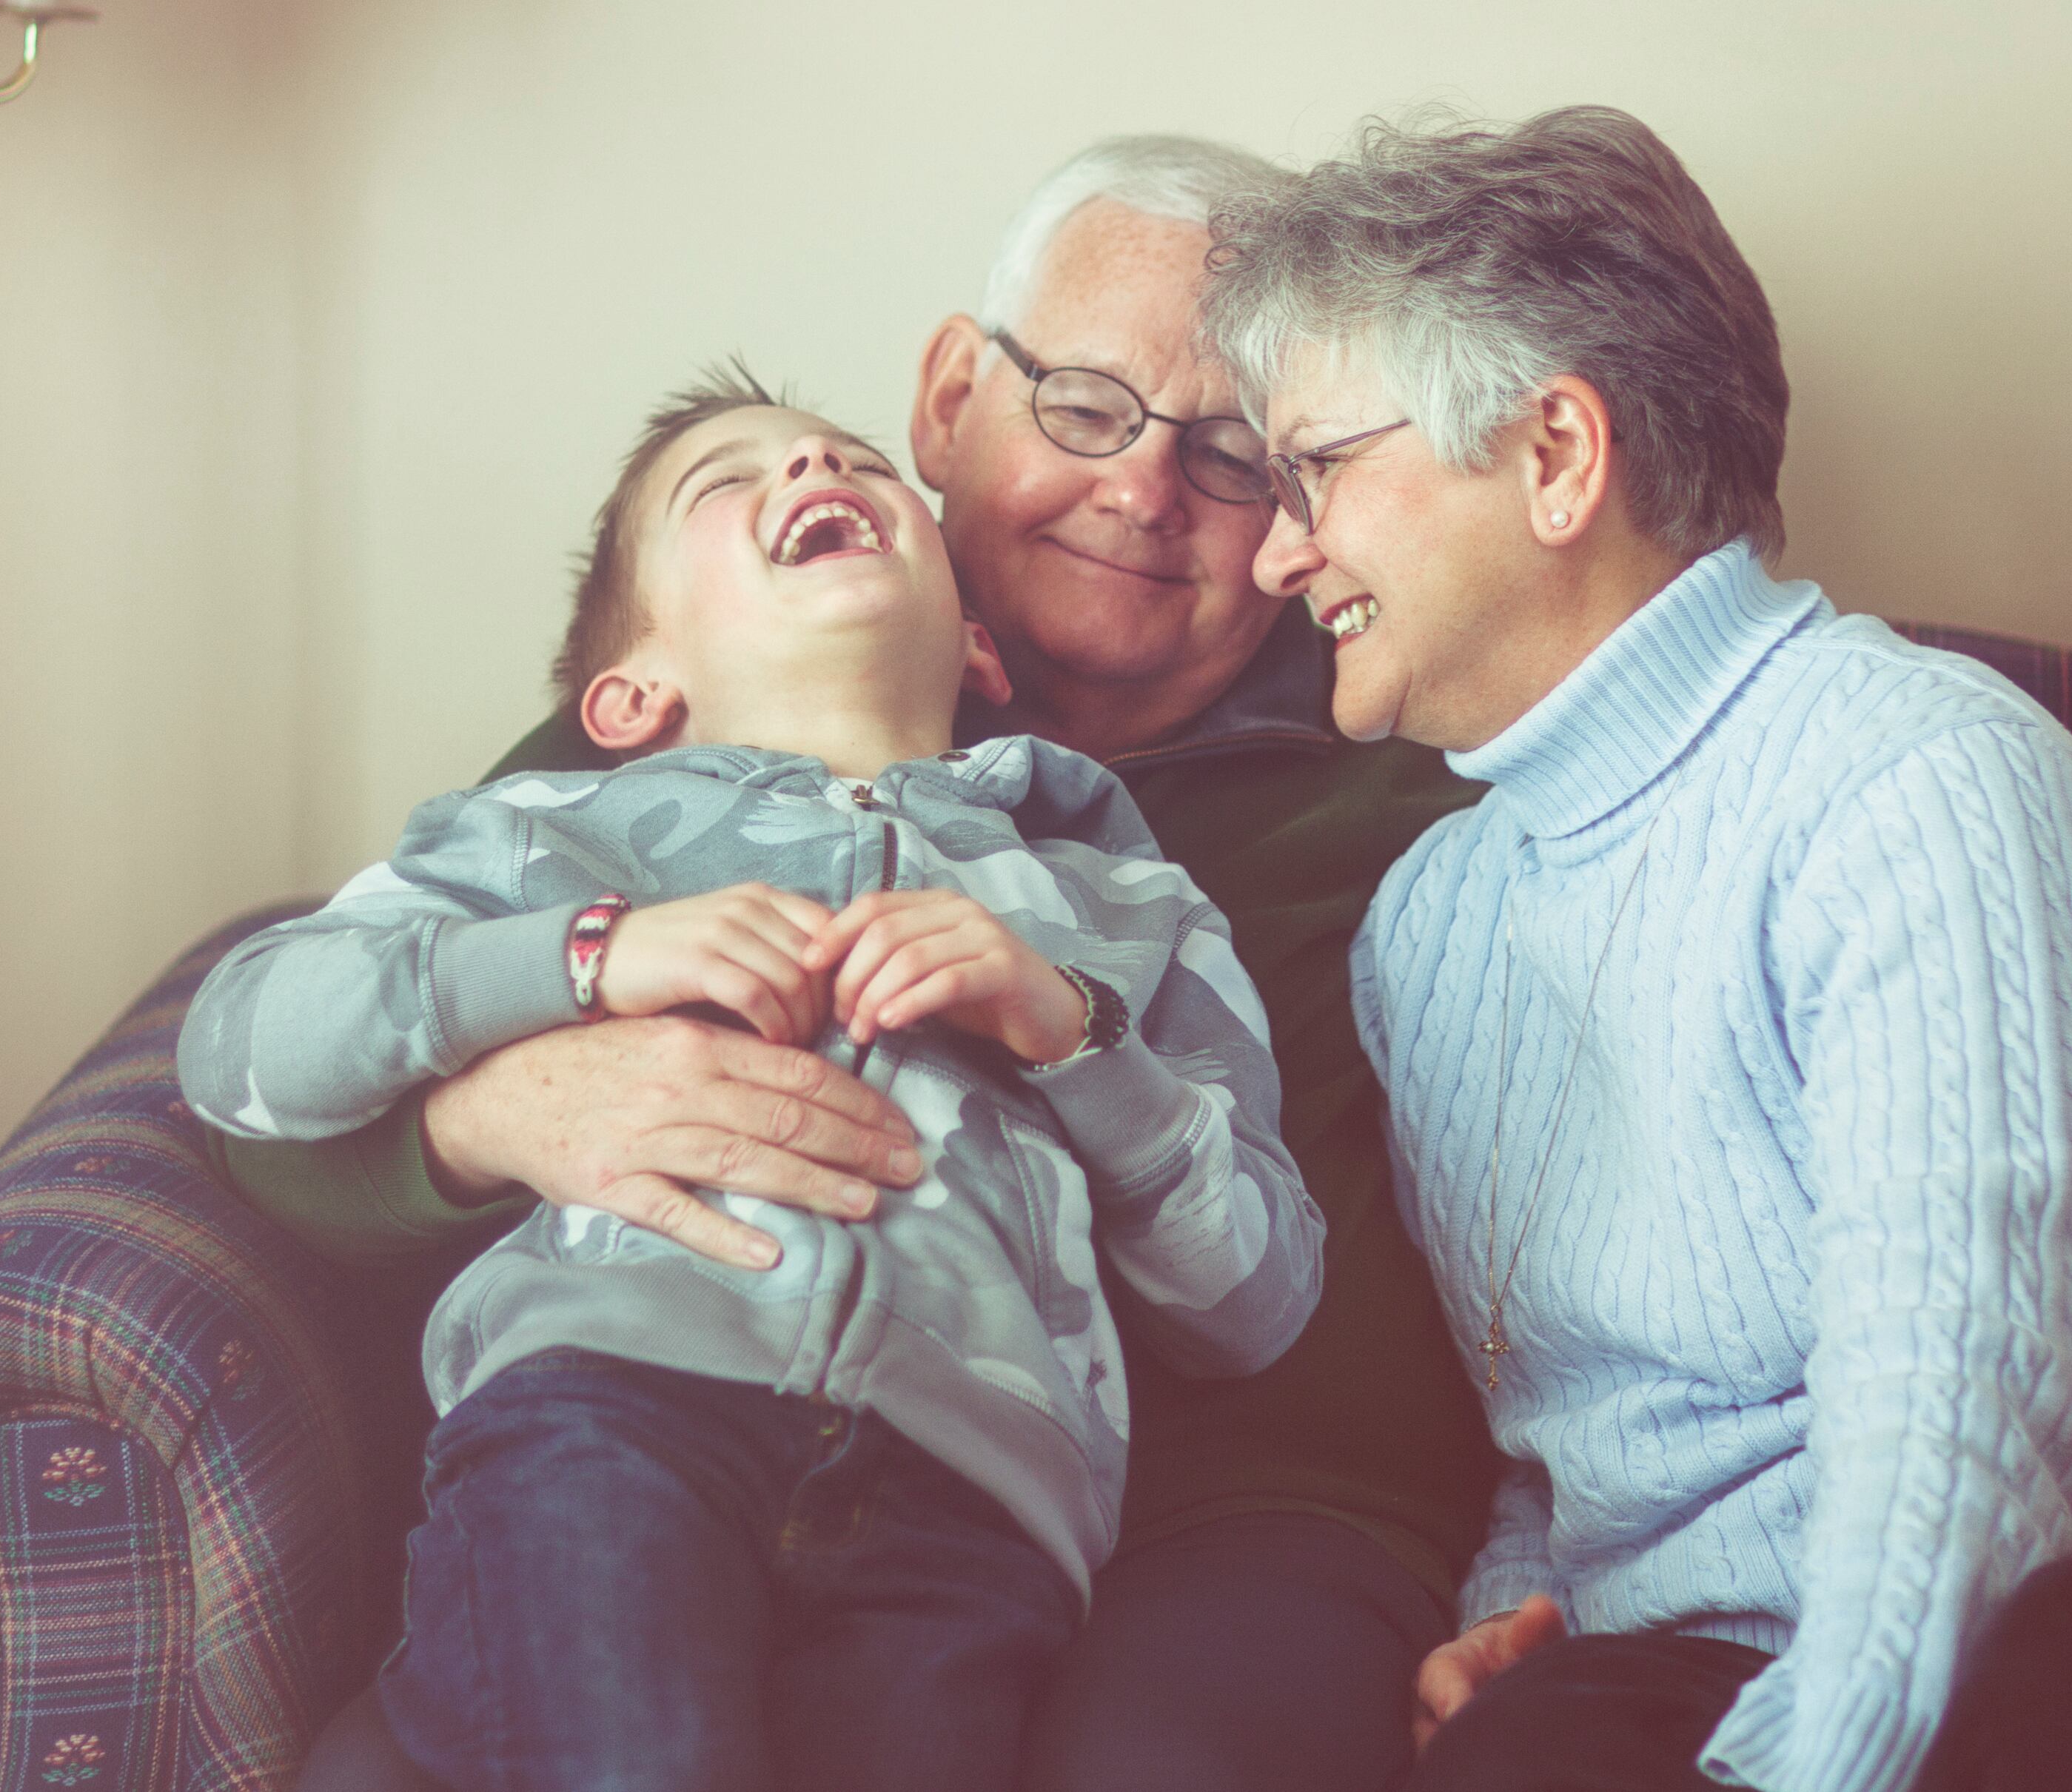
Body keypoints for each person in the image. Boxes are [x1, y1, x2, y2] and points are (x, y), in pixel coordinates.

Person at [236, 135, 2072, 1792]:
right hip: (759, 1424)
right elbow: (278, 1043)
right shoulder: (707, 704)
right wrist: (502, 1093)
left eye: (1280, 463)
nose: (1232, 530)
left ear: (1553, 457)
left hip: (1771, 1577)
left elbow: (1975, 1323)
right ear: (952, 400)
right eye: (1088, 413)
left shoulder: (1615, 803)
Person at [1205, 107, 2072, 1792]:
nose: (1278, 549)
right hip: (1761, 1638)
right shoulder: (1428, 925)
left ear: (1558, 453)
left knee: (2056, 1712)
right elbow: (1557, 1417)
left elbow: (1970, 1401)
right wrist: (1522, 1619)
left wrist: (1805, 1767)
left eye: (1316, 470)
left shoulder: (1914, 772)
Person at [181, 369, 1324, 1792]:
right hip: (613, 1402)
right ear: (630, 693)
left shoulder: (1130, 901)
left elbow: (1254, 1301)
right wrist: (587, 956)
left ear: (978, 646)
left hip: (973, 1501)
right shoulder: (542, 836)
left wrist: (1070, 1029)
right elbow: (240, 1044)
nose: (808, 471)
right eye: (730, 480)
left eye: (849, 458)